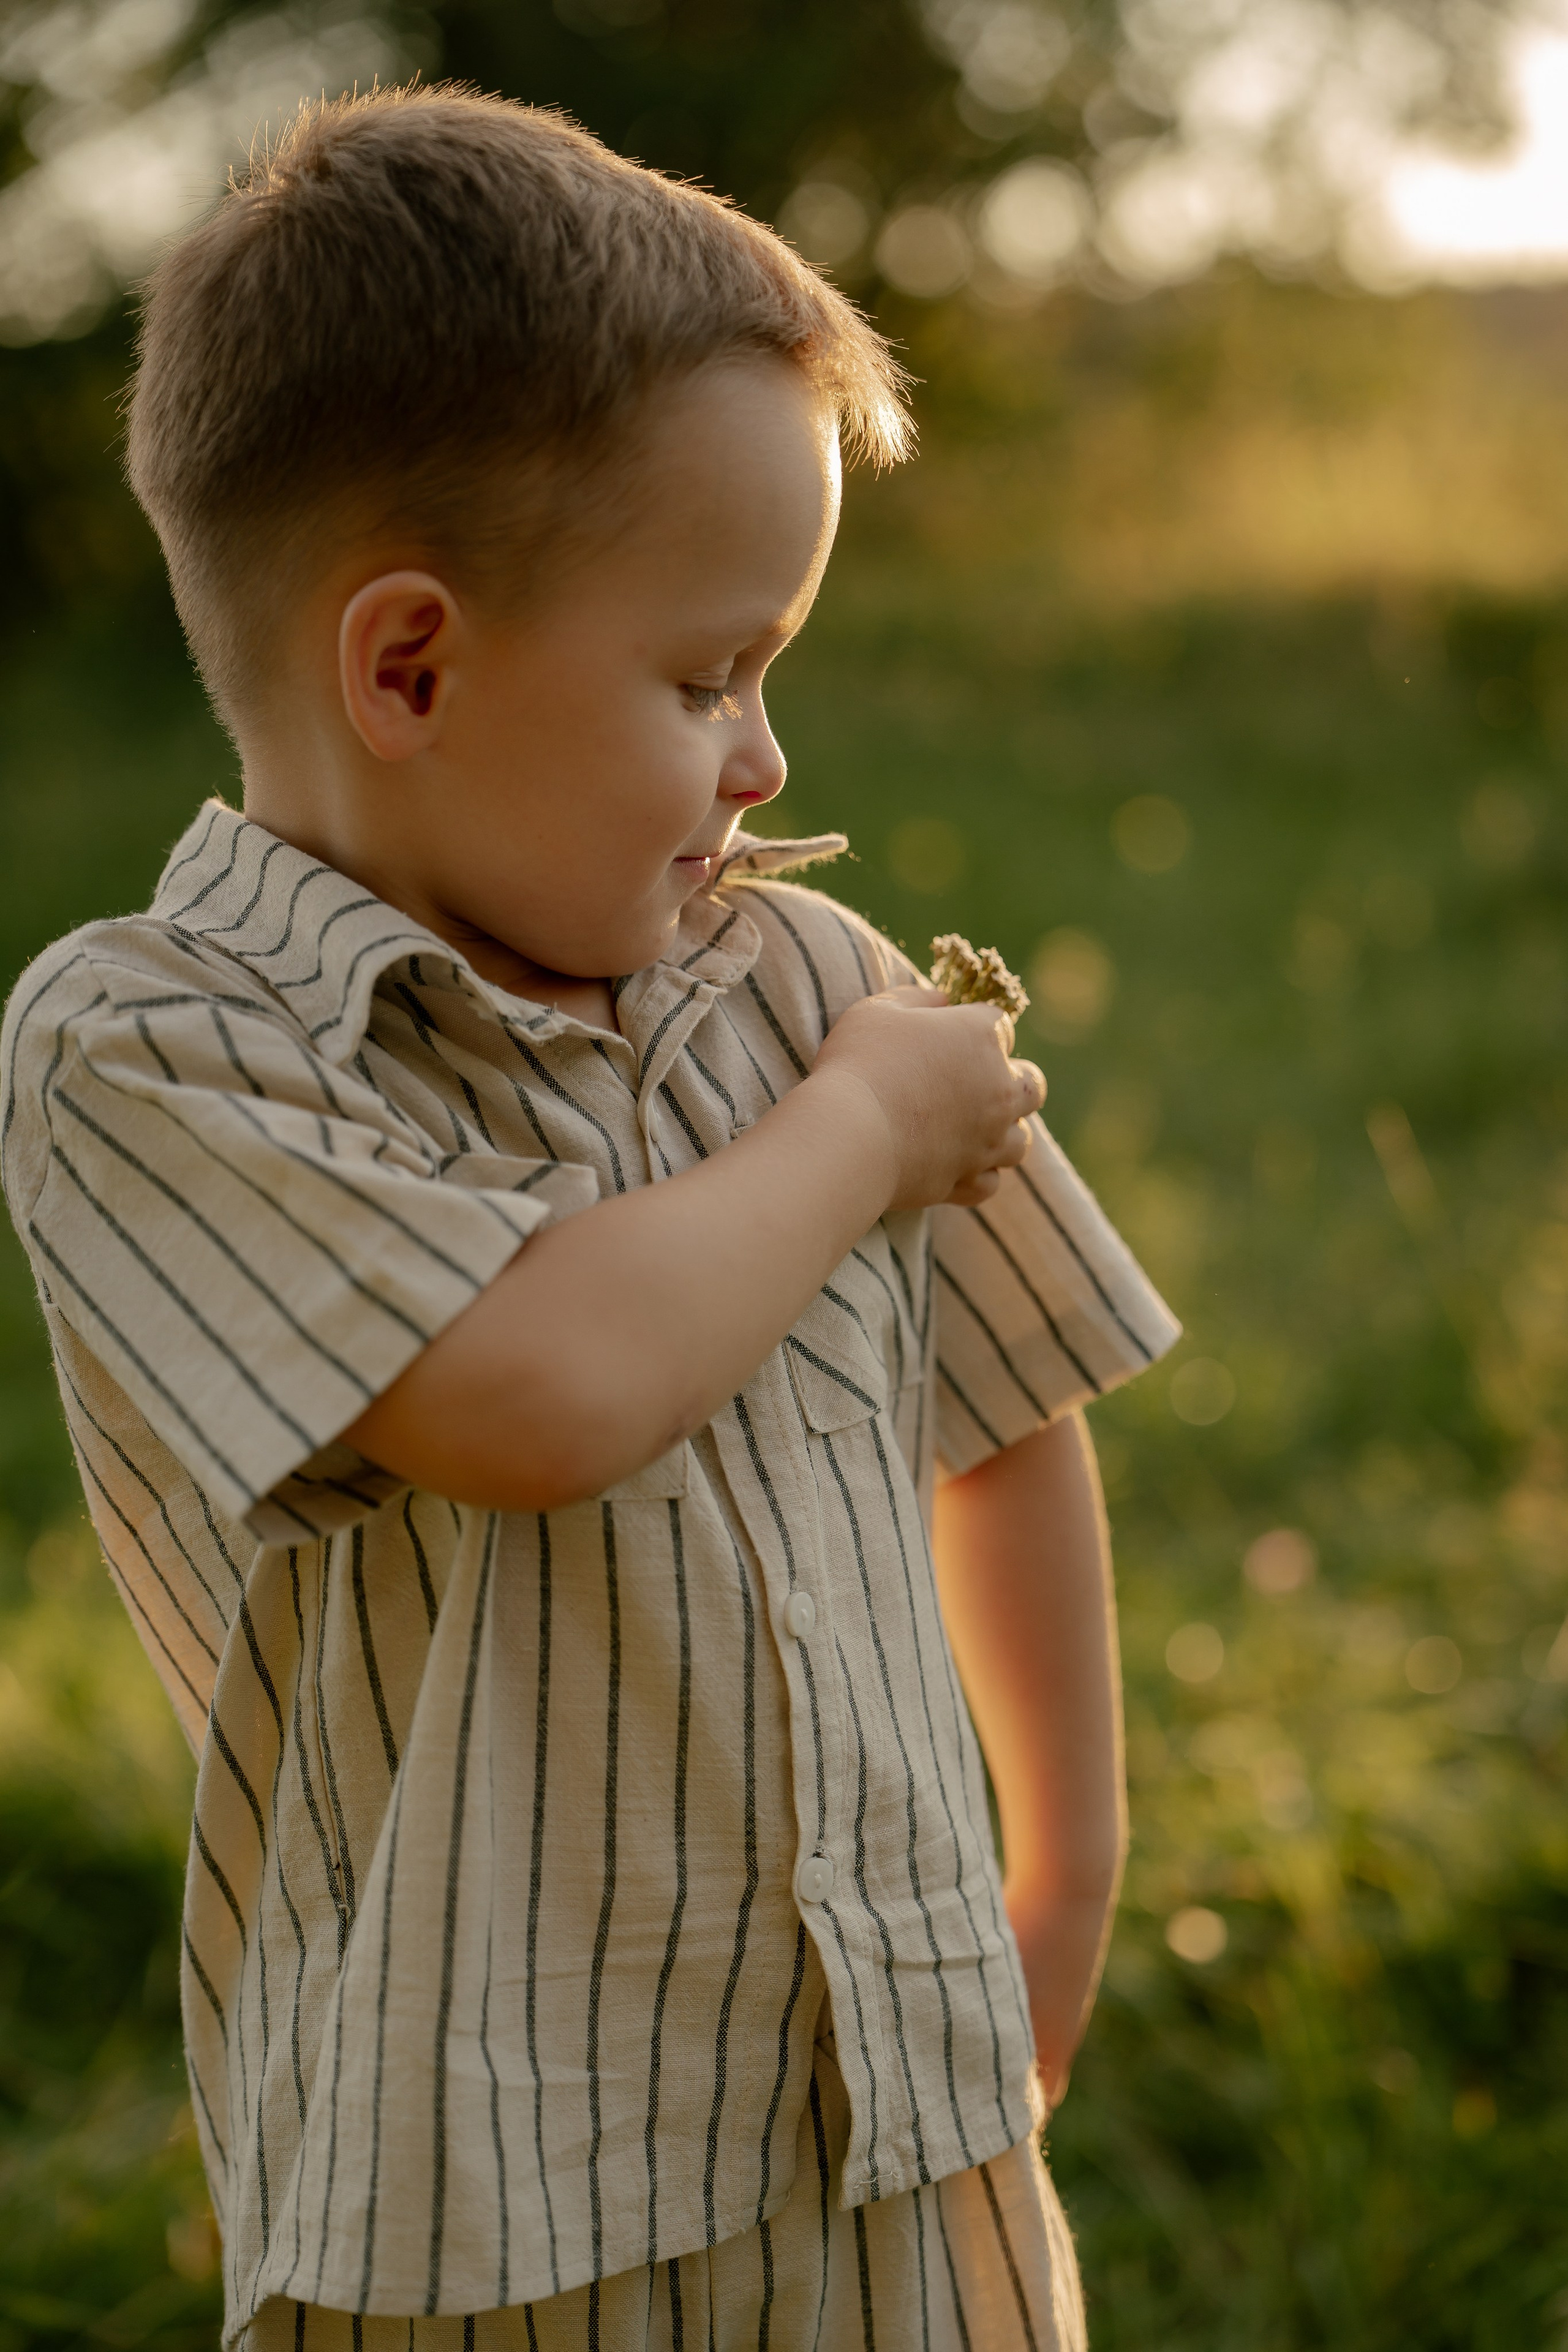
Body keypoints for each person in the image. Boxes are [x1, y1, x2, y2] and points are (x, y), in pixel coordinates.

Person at [0, 87, 1180, 2351]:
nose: (765, 762)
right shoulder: (154, 1050)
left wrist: (1067, 1867)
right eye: (708, 674)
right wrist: (858, 1142)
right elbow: (541, 1388)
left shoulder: (801, 994)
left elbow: (1007, 1399)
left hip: (892, 2111)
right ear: (411, 668)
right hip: (480, 2195)